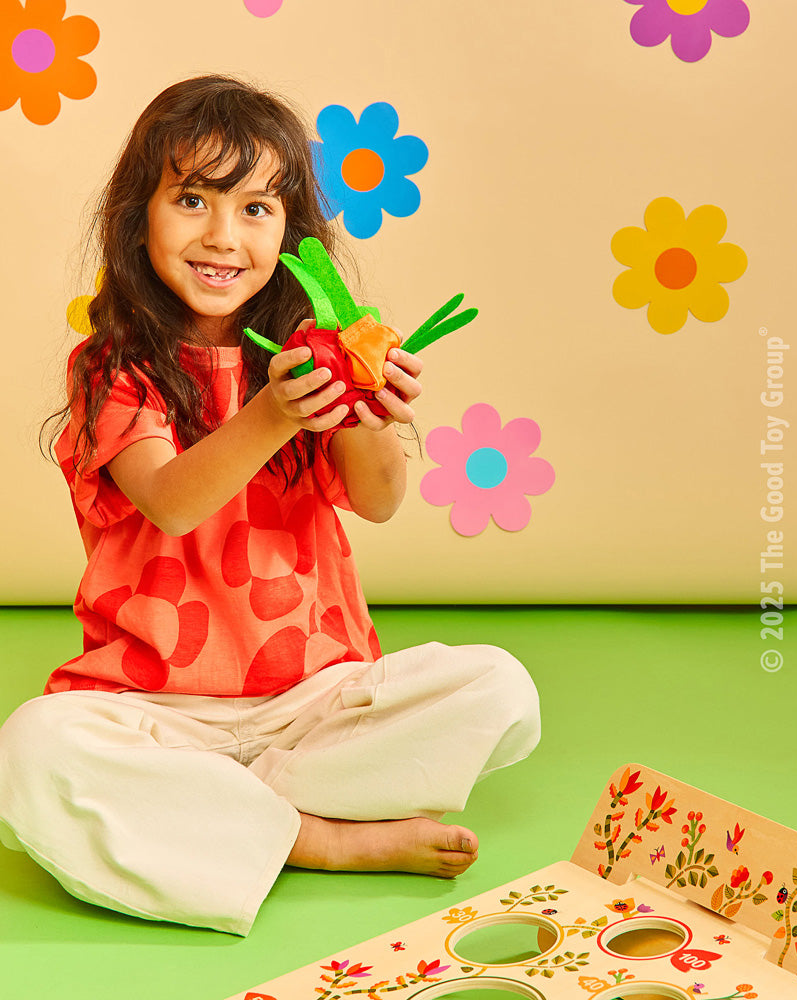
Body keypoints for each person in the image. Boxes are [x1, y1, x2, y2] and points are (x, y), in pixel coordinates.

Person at [0, 75, 540, 936]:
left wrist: (371, 412)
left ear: (293, 234)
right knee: (31, 750)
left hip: (315, 705)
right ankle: (314, 837)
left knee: (500, 689)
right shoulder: (113, 368)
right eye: (192, 200)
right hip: (156, 709)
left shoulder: (308, 353)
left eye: (256, 208)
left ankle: (227, 811)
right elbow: (172, 503)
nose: (223, 235)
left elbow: (379, 500)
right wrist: (275, 412)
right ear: (137, 217)